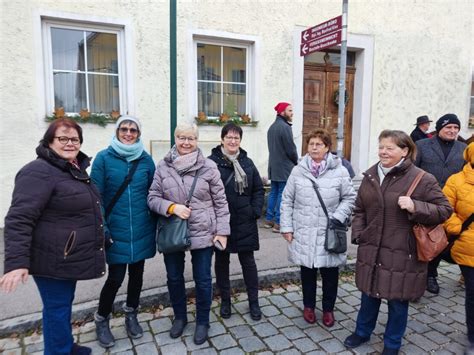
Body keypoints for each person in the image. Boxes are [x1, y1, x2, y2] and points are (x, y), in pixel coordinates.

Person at [0, 118, 106, 355]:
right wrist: (17, 263)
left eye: (75, 139)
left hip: (65, 255)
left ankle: (65, 346)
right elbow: (19, 218)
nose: (70, 143)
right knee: (57, 308)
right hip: (52, 258)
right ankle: (58, 351)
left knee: (60, 306)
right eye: (63, 138)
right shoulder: (38, 172)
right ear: (49, 141)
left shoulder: (70, 168)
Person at [344, 130, 452, 355]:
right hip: (372, 248)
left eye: (389, 147)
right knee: (369, 294)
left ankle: (392, 344)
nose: (383, 151)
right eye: (381, 146)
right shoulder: (371, 175)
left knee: (398, 301)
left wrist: (416, 207)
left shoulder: (422, 178)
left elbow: (445, 210)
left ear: (405, 151)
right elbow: (360, 208)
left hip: (404, 252)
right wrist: (359, 234)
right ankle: (362, 332)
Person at [147, 123, 230, 345]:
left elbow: (221, 202)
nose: (186, 142)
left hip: (204, 231)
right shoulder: (163, 167)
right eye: (182, 137)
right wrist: (173, 207)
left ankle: (203, 321)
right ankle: (180, 317)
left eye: (191, 138)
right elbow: (152, 198)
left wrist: (222, 231)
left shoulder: (209, 167)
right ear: (175, 138)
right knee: (174, 277)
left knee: (203, 279)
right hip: (173, 230)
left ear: (197, 140)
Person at [90, 116, 156, 348]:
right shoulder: (103, 158)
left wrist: (156, 223)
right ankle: (102, 319)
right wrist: (103, 228)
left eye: (133, 130)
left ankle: (131, 314)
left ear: (139, 134)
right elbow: (95, 198)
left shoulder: (146, 161)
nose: (128, 133)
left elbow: (153, 194)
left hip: (141, 228)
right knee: (116, 277)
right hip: (114, 230)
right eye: (124, 129)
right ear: (117, 131)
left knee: (137, 276)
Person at [280, 128, 356, 327]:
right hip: (304, 230)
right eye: (311, 144)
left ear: (327, 148)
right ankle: (308, 306)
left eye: (318, 144)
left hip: (328, 231)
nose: (314, 147)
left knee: (330, 273)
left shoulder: (340, 171)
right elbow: (287, 200)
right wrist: (287, 227)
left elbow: (349, 198)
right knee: (307, 272)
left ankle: (328, 309)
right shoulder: (298, 170)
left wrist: (337, 217)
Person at [208, 123, 265, 321]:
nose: (233, 141)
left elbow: (258, 189)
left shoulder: (247, 163)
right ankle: (225, 300)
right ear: (222, 139)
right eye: (229, 137)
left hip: (245, 221)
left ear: (240, 140)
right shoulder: (211, 163)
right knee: (222, 262)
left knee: (248, 262)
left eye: (236, 138)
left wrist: (255, 211)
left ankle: (253, 302)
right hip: (221, 223)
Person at [415, 113, 467, 294]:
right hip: (426, 201)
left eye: (456, 128)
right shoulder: (422, 145)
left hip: (452, 203)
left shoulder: (464, 147)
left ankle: (431, 275)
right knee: (423, 239)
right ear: (439, 129)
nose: (452, 131)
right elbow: (412, 170)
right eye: (448, 127)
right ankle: (422, 275)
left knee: (443, 240)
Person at [443, 143, 474, 355]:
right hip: (468, 246)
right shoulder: (456, 181)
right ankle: (473, 336)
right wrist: (457, 229)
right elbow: (445, 208)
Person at [264, 102, 298, 233]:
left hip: (273, 166)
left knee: (274, 192)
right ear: (282, 112)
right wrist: (296, 161)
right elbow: (291, 149)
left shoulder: (272, 127)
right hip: (284, 167)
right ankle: (278, 223)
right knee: (282, 194)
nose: (292, 113)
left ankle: (269, 220)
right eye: (289, 110)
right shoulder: (285, 127)